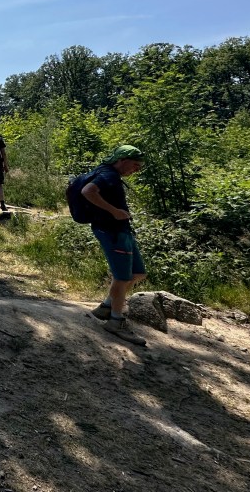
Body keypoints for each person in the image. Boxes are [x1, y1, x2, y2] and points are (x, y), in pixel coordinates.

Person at [82, 145, 148, 346]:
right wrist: (114, 211)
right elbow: (88, 191)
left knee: (138, 273)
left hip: (121, 231)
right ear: (122, 160)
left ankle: (106, 307)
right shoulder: (108, 174)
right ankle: (115, 321)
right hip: (112, 232)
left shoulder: (110, 174)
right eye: (135, 165)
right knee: (122, 278)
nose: (136, 170)